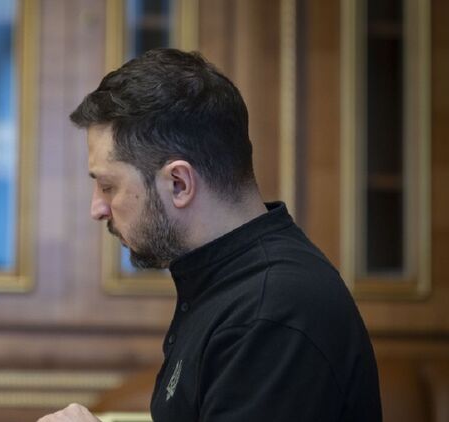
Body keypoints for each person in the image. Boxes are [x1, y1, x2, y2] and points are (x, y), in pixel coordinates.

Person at [38, 48, 381, 422]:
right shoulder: (231, 286)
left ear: (179, 183)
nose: (98, 208)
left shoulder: (270, 314)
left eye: (108, 186)